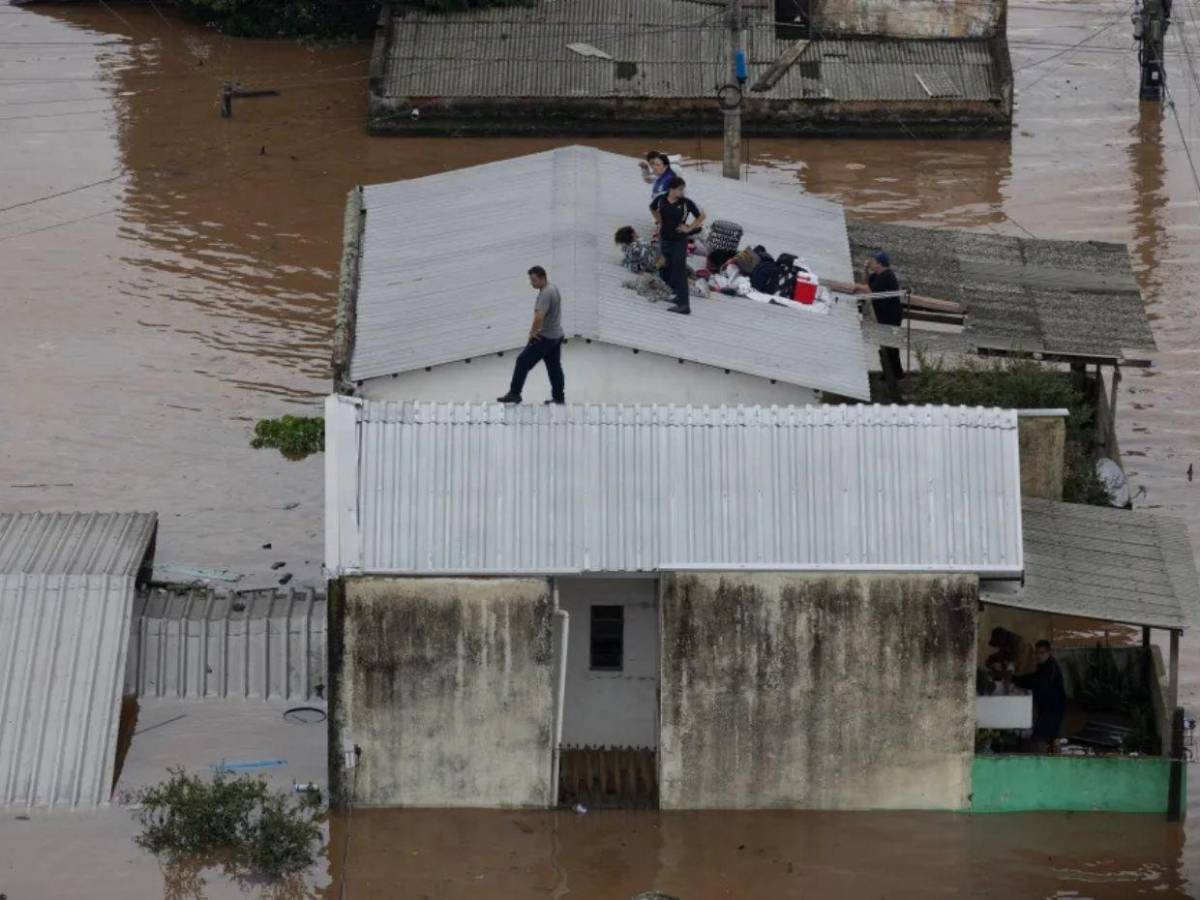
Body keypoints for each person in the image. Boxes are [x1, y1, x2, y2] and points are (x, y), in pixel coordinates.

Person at [497, 266, 565, 405]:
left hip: (545, 337)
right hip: (556, 336)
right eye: (531, 280)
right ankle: (559, 397)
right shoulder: (553, 288)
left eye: (534, 280)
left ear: (542, 278)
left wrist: (532, 333)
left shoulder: (546, 293)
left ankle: (515, 393)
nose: (531, 283)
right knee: (554, 368)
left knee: (522, 361)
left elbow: (539, 317)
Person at [654, 176, 705, 315]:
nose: (683, 192)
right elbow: (653, 208)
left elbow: (701, 216)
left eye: (683, 189)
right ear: (671, 189)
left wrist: (689, 228)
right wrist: (659, 223)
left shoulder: (686, 203)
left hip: (679, 241)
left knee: (680, 270)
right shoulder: (661, 199)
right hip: (665, 239)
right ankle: (677, 296)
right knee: (668, 267)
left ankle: (684, 305)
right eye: (680, 189)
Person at [855, 251, 904, 390]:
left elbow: (868, 290)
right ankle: (891, 373)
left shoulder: (887, 275)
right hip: (883, 313)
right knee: (886, 344)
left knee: (890, 345)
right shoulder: (877, 275)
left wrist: (856, 288)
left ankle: (895, 374)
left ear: (879, 263)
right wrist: (864, 269)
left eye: (873, 261)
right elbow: (865, 282)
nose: (871, 263)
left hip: (891, 315)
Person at [1013, 639, 1067, 753]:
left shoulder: (1050, 668)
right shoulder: (1044, 665)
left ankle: (1042, 761)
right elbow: (1034, 677)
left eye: (1042, 653)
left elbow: (1036, 682)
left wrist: (1016, 680)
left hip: (1053, 709)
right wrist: (1017, 679)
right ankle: (1053, 757)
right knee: (1052, 738)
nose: (1038, 656)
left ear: (1048, 653)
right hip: (1048, 708)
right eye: (1037, 653)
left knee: (1039, 738)